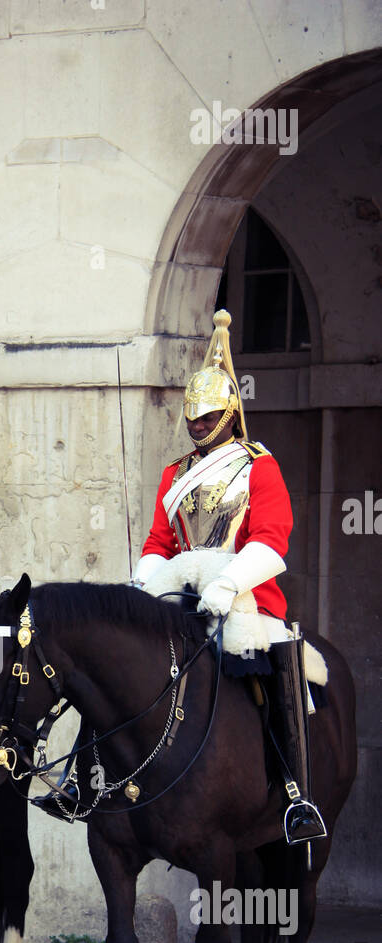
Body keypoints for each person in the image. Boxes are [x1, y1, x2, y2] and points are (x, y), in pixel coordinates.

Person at [131, 309, 326, 844]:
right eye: (193, 414)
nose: (198, 422)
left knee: (275, 662)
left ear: (230, 411)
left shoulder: (259, 465)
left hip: (243, 599)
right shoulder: (176, 473)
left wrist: (228, 583)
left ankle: (296, 796)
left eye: (209, 413)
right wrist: (146, 583)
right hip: (183, 596)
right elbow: (159, 542)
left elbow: (271, 539)